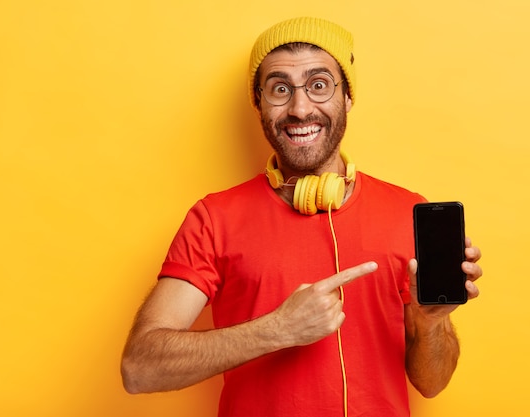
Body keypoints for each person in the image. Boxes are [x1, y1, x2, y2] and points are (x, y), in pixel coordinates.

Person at [121, 16, 483, 417]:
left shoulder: (407, 212)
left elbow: (432, 384)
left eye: (319, 85)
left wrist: (430, 324)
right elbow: (139, 368)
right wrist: (277, 330)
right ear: (258, 103)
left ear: (347, 97)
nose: (300, 108)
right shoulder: (213, 219)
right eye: (280, 89)